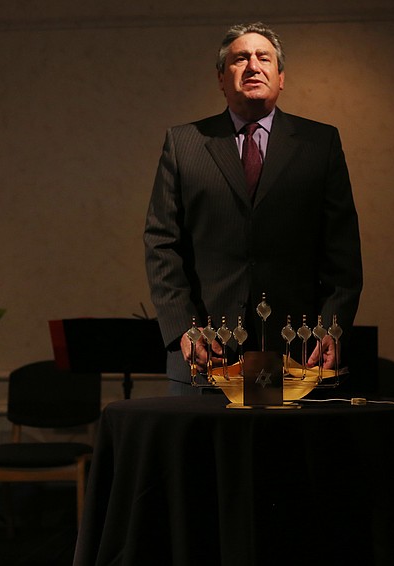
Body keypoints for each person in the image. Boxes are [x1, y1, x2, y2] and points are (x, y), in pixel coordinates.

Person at [144, 22, 363, 395]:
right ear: (221, 79)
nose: (252, 65)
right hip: (206, 350)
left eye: (264, 57)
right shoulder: (184, 143)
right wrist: (184, 328)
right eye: (239, 59)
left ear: (281, 78)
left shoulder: (319, 142)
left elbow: (341, 248)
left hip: (298, 350)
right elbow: (162, 243)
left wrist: (333, 327)